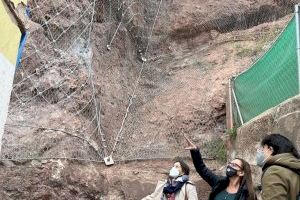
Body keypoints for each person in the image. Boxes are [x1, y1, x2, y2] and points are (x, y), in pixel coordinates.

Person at [184, 134, 256, 200]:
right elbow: (202, 169)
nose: (230, 166)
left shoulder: (248, 195)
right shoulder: (219, 183)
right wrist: (195, 151)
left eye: (234, 165)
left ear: (241, 172)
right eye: (230, 164)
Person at [256, 133, 300, 200]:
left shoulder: (274, 172)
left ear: (270, 149)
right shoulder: (294, 166)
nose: (260, 153)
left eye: (262, 149)